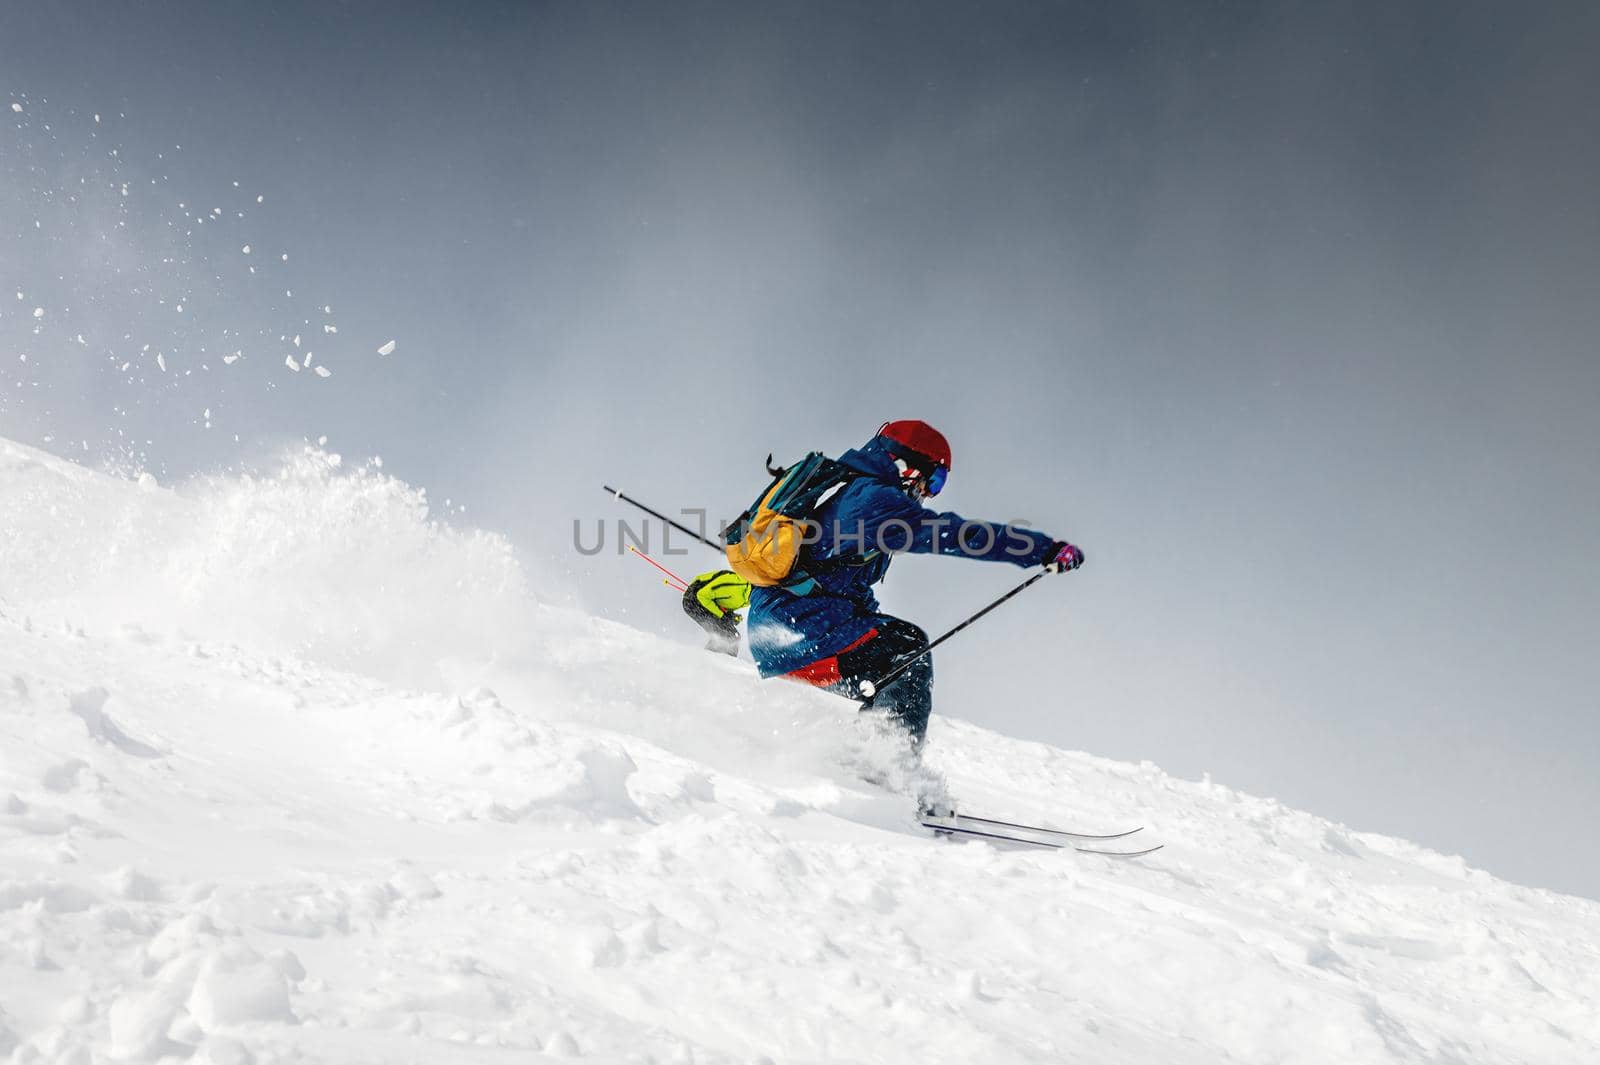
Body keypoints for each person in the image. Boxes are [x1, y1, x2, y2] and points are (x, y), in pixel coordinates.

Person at [737, 419, 1084, 746]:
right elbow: (955, 534)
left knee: (894, 650)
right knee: (907, 649)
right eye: (934, 482)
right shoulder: (874, 501)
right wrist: (1041, 549)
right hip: (799, 633)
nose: (929, 494)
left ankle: (863, 759)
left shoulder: (853, 494)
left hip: (786, 630)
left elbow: (846, 586)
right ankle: (881, 768)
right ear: (907, 466)